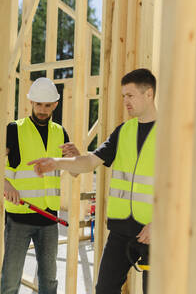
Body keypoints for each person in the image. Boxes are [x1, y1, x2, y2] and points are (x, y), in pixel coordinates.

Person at [28, 69, 157, 294]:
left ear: (149, 94)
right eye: (123, 96)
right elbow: (88, 163)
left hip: (153, 231)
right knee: (105, 289)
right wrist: (56, 163)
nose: (125, 101)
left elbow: (184, 186)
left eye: (130, 95)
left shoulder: (170, 133)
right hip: (120, 230)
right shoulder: (123, 132)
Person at [1, 77, 79, 294]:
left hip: (49, 218)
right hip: (19, 217)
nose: (43, 110)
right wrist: (5, 183)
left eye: (47, 105)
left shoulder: (60, 132)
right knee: (10, 280)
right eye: (38, 104)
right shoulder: (14, 129)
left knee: (49, 281)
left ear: (55, 104)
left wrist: (77, 158)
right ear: (31, 103)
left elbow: (74, 172)